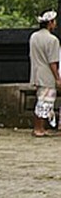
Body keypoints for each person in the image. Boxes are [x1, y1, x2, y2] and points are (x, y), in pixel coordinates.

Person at [29, 9, 61, 137]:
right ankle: (39, 128)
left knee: (40, 100)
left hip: (36, 72)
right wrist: (57, 78)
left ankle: (38, 127)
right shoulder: (52, 40)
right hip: (47, 74)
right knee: (46, 102)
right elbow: (52, 62)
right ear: (50, 23)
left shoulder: (34, 36)